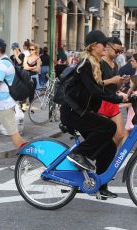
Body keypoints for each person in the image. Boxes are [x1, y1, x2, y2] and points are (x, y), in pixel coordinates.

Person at [60, 30, 128, 199]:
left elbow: (101, 89)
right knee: (109, 127)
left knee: (110, 145)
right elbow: (95, 91)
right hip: (72, 112)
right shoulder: (85, 64)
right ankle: (78, 154)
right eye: (103, 43)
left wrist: (126, 94)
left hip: (83, 112)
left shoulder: (95, 64)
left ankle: (100, 185)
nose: (106, 46)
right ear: (93, 46)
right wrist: (117, 99)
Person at [0, 38, 25, 150]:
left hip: (4, 106)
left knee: (14, 135)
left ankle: (26, 162)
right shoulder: (1, 62)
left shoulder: (3, 64)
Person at [98, 37, 128, 146]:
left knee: (121, 134)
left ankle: (109, 155)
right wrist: (112, 80)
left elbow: (116, 88)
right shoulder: (99, 63)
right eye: (117, 51)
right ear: (108, 47)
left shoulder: (115, 65)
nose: (118, 54)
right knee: (104, 136)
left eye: (120, 52)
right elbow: (94, 84)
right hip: (101, 103)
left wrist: (121, 81)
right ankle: (104, 155)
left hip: (112, 102)